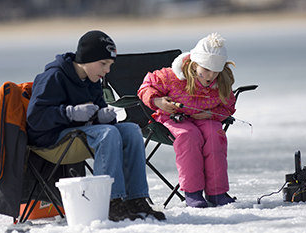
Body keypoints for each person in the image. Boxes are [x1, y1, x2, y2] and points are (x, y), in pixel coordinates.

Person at [26, 30, 165, 221]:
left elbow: (100, 118)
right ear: (86, 58)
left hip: (80, 135)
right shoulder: (54, 76)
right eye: (103, 64)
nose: (107, 70)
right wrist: (69, 112)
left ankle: (136, 199)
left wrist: (104, 116)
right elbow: (35, 118)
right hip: (51, 140)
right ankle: (109, 202)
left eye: (110, 65)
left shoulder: (94, 81)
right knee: (106, 133)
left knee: (131, 130)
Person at [138, 33, 236, 208]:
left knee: (215, 135)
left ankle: (217, 192)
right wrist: (157, 101)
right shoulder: (170, 76)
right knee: (189, 135)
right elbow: (146, 87)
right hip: (174, 117)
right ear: (194, 63)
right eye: (205, 70)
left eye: (215, 72)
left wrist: (211, 115)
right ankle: (193, 193)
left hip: (206, 118)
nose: (210, 76)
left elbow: (228, 107)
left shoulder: (221, 82)